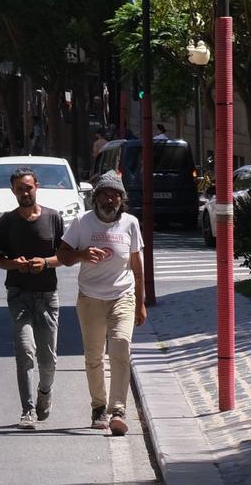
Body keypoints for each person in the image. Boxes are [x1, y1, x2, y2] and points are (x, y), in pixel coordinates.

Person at [58, 169, 146, 436]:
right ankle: (98, 408)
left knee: (121, 347)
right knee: (94, 356)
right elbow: (62, 255)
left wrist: (141, 303)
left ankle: (118, 410)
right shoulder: (81, 223)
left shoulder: (130, 223)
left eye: (116, 196)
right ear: (96, 198)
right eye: (106, 195)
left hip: (123, 296)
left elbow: (137, 267)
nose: (110, 201)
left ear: (122, 200)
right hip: (90, 299)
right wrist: (82, 254)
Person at [0, 166, 63, 430]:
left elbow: (64, 257)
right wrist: (15, 264)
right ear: (13, 191)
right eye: (20, 188)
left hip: (47, 296)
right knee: (25, 352)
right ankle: (28, 411)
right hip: (19, 295)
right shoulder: (7, 221)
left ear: (37, 187)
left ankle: (45, 393)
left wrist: (45, 263)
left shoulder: (53, 218)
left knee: (48, 359)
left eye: (28, 187)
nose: (25, 192)